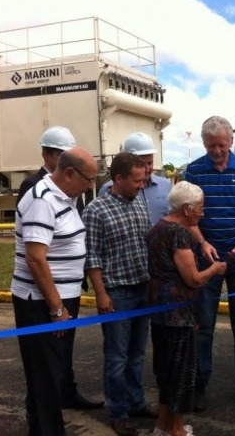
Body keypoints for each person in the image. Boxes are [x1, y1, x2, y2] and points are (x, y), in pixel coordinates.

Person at [11, 147, 99, 435]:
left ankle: (43, 428)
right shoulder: (42, 200)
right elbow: (35, 258)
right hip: (41, 302)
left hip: (60, 298)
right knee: (46, 376)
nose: (91, 186)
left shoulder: (66, 196)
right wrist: (56, 307)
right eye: (89, 179)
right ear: (69, 173)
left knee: (51, 372)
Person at [184, 115, 235, 413]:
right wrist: (202, 242)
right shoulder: (193, 171)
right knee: (204, 324)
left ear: (230, 141)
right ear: (204, 143)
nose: (217, 151)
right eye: (211, 146)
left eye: (221, 145)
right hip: (207, 259)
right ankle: (200, 383)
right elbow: (187, 214)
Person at [83, 152, 158, 436]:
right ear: (118, 179)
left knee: (137, 354)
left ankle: (136, 402)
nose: (142, 185)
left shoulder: (139, 202)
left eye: (143, 180)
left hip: (142, 288)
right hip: (117, 293)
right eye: (137, 180)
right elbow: (92, 258)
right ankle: (118, 412)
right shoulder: (96, 210)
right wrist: (102, 295)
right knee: (117, 357)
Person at [147, 181, 227, 436]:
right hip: (177, 314)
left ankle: (162, 425)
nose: (202, 213)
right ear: (186, 208)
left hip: (159, 310)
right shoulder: (179, 233)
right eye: (200, 208)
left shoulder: (158, 227)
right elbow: (193, 278)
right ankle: (177, 429)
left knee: (166, 370)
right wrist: (214, 270)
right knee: (180, 373)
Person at [98, 132, 171, 227]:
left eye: (150, 163)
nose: (147, 169)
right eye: (142, 164)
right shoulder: (109, 189)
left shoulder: (165, 185)